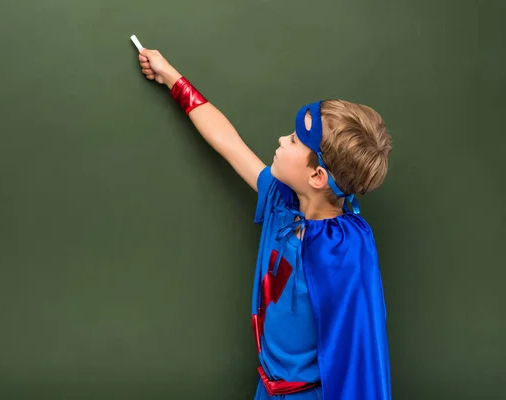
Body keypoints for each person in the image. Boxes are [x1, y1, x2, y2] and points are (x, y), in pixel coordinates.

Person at [136, 47, 393, 400]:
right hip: (269, 389)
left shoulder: (344, 254)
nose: (280, 140)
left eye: (292, 141)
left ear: (317, 175)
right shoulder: (281, 202)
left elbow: (358, 354)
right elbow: (228, 142)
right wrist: (171, 77)